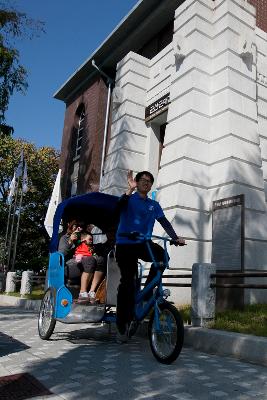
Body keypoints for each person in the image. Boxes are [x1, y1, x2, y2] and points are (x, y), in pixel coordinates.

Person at [115, 170, 185, 342]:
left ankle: (146, 294)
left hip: (142, 243)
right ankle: (121, 325)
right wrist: (129, 190)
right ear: (136, 183)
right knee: (127, 282)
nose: (146, 183)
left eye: (149, 181)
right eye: (143, 180)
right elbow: (117, 208)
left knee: (163, 257)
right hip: (125, 244)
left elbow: (164, 222)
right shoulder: (129, 199)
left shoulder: (154, 204)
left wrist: (175, 237)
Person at [58, 221, 97, 303]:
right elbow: (61, 254)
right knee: (90, 260)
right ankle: (82, 292)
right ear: (70, 226)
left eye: (80, 227)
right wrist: (70, 241)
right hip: (69, 266)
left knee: (100, 260)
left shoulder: (85, 238)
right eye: (76, 226)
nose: (78, 228)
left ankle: (92, 292)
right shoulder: (65, 238)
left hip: (85, 264)